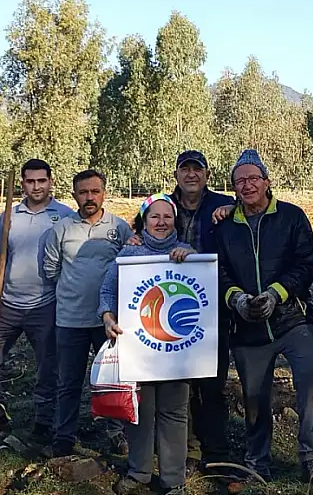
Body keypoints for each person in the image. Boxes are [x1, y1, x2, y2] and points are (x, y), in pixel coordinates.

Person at [216, 149, 313, 482]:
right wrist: (235, 298)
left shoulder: (292, 217)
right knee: (254, 397)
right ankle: (257, 460)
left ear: (267, 181)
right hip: (247, 328)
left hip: (291, 319)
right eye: (240, 181)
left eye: (253, 178)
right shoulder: (225, 227)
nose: (248, 186)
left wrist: (276, 294)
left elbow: (307, 263)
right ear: (234, 188)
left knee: (310, 381)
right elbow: (219, 270)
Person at [0, 159, 73, 446]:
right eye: (30, 181)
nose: (36, 186)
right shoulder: (9, 217)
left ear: (50, 181)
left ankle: (43, 422)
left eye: (41, 181)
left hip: (46, 305)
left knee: (48, 368)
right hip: (7, 305)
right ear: (22, 183)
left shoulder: (65, 216)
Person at [98, 193, 195, 495]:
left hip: (176, 350)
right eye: (155, 216)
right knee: (140, 411)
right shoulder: (128, 255)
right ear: (144, 221)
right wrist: (108, 318)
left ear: (175, 220)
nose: (161, 222)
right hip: (139, 350)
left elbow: (203, 286)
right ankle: (139, 472)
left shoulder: (190, 254)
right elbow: (107, 292)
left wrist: (187, 259)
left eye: (167, 216)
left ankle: (173, 480)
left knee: (175, 413)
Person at [44, 169, 135, 457]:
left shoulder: (119, 229)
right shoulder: (61, 230)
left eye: (95, 191)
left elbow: (130, 266)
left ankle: (116, 433)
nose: (89, 197)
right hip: (69, 320)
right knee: (68, 382)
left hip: (107, 321)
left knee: (112, 380)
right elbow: (51, 271)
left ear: (104, 193)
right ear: (74, 195)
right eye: (83, 192)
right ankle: (63, 437)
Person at [169, 150, 236, 475]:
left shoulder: (223, 205)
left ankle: (217, 452)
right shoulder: (163, 207)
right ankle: (187, 450)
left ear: (207, 175)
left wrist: (233, 207)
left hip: (214, 310)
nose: (191, 175)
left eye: (198, 170)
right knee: (181, 383)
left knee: (212, 382)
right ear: (177, 175)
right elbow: (142, 236)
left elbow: (254, 211)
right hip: (171, 309)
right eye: (186, 169)